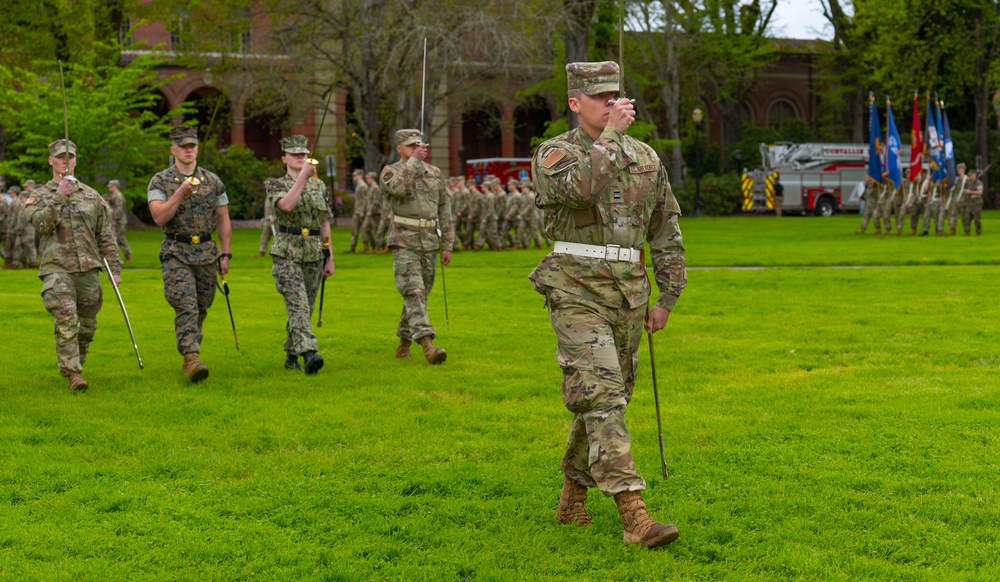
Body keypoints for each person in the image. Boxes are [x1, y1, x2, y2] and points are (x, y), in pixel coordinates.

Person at [530, 61, 685, 549]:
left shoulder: (645, 157)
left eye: (616, 94)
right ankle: (635, 515)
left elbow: (666, 229)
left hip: (629, 293)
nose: (612, 103)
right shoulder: (556, 153)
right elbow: (577, 191)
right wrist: (611, 139)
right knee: (603, 397)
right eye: (599, 97)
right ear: (576, 103)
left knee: (605, 400)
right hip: (575, 287)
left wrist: (668, 296)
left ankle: (572, 497)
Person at [23, 139, 122, 391]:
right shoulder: (38, 196)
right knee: (67, 322)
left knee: (87, 327)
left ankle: (78, 363)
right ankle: (73, 374)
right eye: (59, 157)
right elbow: (42, 225)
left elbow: (105, 236)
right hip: (57, 270)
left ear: (76, 160)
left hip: (88, 269)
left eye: (70, 157)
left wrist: (115, 268)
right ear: (51, 161)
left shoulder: (92, 196)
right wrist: (60, 197)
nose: (65, 162)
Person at [147, 125, 233, 383]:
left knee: (201, 306)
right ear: (173, 149)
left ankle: (191, 348)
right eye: (182, 146)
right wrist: (180, 192)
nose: (188, 150)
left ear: (197, 148)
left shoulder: (213, 181)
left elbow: (223, 219)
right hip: (176, 252)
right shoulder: (160, 180)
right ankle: (191, 357)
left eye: (192, 146)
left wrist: (226, 254)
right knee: (185, 303)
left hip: (207, 253)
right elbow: (159, 217)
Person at [379, 129, 453, 364]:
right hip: (404, 240)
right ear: (399, 148)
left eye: (419, 145)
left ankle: (403, 343)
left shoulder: (434, 173)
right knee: (414, 291)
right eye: (411, 146)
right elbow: (398, 189)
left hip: (430, 240)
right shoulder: (391, 172)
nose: (416, 149)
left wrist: (447, 244)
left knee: (420, 295)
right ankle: (427, 343)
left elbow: (445, 208)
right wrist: (412, 162)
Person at [265, 135, 336, 374]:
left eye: (303, 154)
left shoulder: (319, 186)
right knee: (297, 304)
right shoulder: (276, 184)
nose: (300, 157)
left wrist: (330, 257)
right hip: (287, 251)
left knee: (306, 306)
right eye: (295, 154)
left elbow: (324, 223)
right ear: (284, 158)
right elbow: (286, 205)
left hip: (314, 251)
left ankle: (291, 356)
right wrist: (303, 177)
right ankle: (309, 353)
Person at [105, 180, 133, 261]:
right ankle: (124, 256)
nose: (109, 187)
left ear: (115, 186)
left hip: (119, 221)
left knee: (119, 238)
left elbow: (119, 209)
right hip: (118, 221)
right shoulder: (114, 195)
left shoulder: (118, 196)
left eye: (111, 186)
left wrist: (115, 219)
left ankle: (125, 256)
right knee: (119, 238)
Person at [346, 169, 367, 253]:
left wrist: (363, 211)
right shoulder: (358, 185)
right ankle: (352, 247)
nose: (354, 177)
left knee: (364, 230)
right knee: (354, 230)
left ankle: (367, 247)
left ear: (360, 175)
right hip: (357, 210)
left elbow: (366, 199)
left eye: (355, 175)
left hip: (361, 211)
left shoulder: (363, 186)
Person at [255, 192, 276, 258]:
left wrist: (275, 218)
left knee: (277, 237)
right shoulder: (267, 196)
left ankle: (277, 252)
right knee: (264, 236)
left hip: (275, 221)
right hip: (267, 220)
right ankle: (262, 252)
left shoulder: (276, 195)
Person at [963, 168, 984, 235]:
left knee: (976, 217)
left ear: (975, 175)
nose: (970, 176)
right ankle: (967, 231)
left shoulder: (978, 182)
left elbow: (980, 192)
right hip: (969, 201)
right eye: (969, 175)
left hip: (976, 201)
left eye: (971, 175)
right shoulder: (968, 182)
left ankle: (978, 230)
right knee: (967, 217)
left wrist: (970, 192)